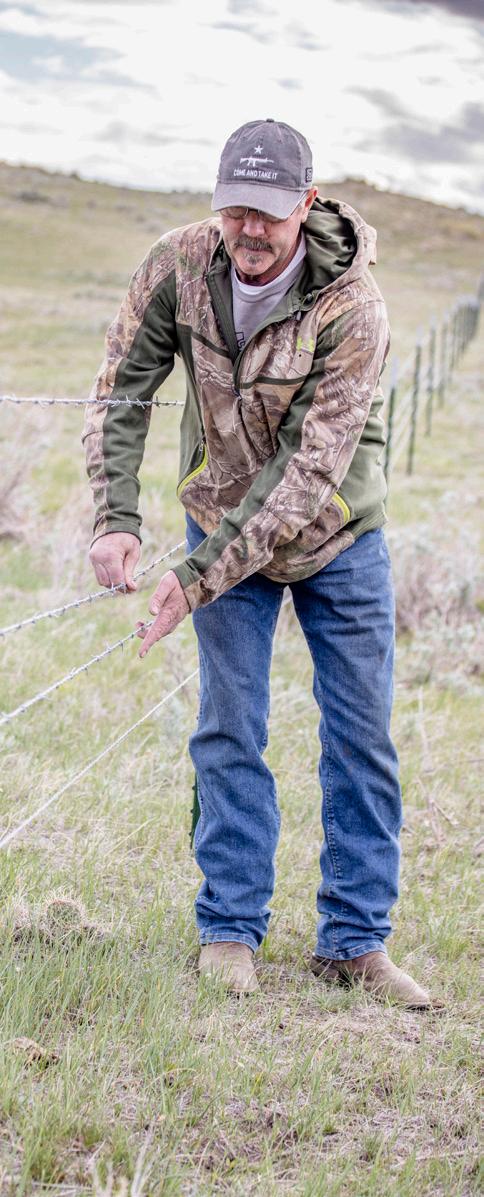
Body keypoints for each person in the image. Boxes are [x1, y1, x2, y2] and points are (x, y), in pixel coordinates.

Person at [84, 118, 441, 1009]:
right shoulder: (178, 265)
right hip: (218, 526)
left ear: (306, 204)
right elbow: (121, 386)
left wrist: (192, 576)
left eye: (269, 213)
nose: (249, 229)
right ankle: (229, 929)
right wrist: (115, 517)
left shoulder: (354, 307)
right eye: (234, 208)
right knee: (229, 728)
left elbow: (306, 476)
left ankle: (354, 942)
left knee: (360, 736)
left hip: (337, 538)